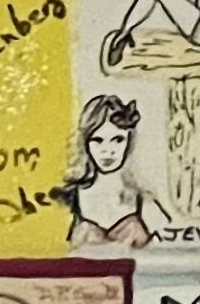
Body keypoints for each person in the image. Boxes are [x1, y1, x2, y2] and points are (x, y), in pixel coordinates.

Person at [61, 94, 157, 248]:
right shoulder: (71, 197)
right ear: (85, 143)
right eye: (98, 140)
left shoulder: (143, 200)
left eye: (118, 140)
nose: (108, 151)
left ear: (129, 142)